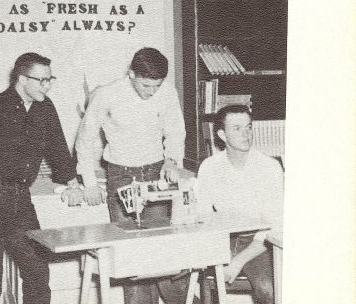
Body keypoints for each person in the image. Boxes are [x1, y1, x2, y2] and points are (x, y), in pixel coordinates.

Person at [75, 47, 188, 304]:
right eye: (146, 85)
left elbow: (175, 131)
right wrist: (90, 183)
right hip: (121, 176)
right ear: (131, 74)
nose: (152, 92)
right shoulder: (106, 94)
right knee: (132, 254)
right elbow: (84, 140)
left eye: (156, 86)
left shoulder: (167, 92)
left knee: (162, 248)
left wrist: (172, 160)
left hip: (156, 171)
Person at [0, 52, 83, 304]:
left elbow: (58, 148)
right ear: (22, 79)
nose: (48, 85)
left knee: (37, 270)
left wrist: (72, 183)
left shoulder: (45, 107)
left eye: (50, 79)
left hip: (20, 197)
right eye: (41, 80)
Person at [196, 105, 284, 303]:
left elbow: (273, 225)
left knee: (268, 288)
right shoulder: (209, 167)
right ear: (222, 134)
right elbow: (202, 215)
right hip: (221, 238)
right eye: (237, 128)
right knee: (173, 279)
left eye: (249, 127)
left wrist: (237, 261)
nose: (246, 134)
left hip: (259, 242)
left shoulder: (269, 167)